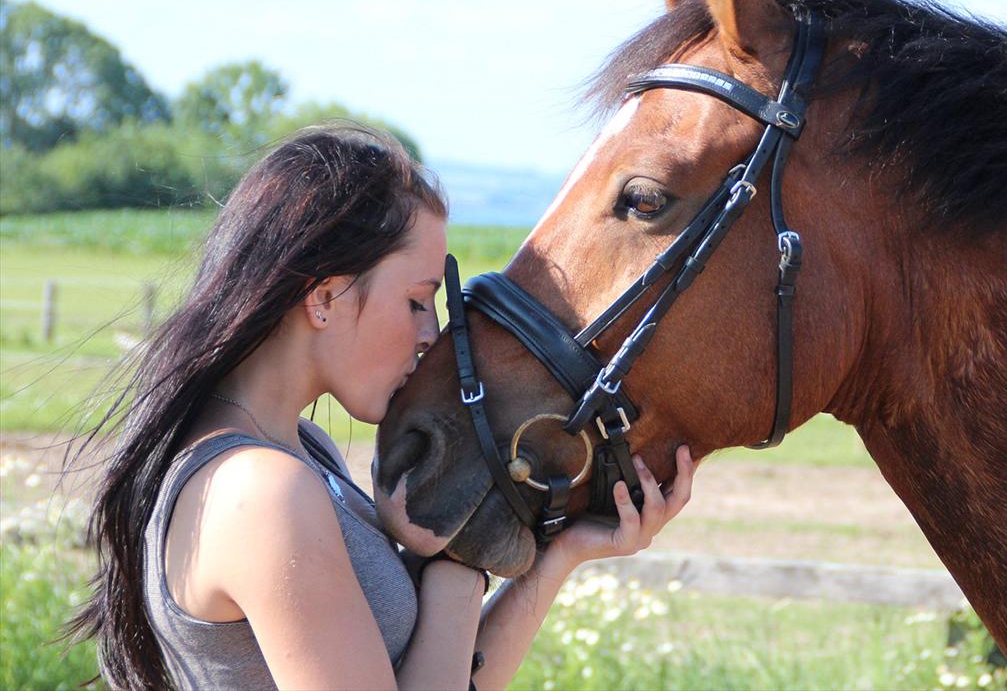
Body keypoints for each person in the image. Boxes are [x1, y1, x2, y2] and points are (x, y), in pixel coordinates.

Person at [70, 125, 695, 691]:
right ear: (327, 297)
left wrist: (562, 553)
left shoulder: (299, 451)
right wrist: (451, 555)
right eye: (418, 302)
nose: (431, 337)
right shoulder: (260, 492)